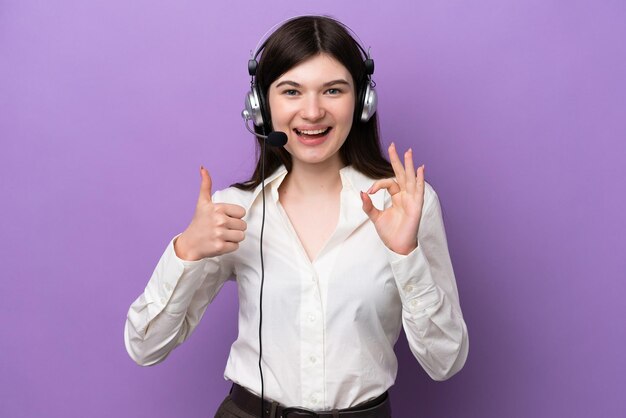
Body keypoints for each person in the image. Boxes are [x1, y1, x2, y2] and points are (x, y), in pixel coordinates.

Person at [124, 15, 468, 418]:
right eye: (291, 91)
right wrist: (186, 251)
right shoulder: (236, 211)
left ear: (361, 101)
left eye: (333, 90)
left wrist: (406, 255)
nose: (312, 110)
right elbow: (145, 347)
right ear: (261, 105)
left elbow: (445, 362)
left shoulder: (408, 204)